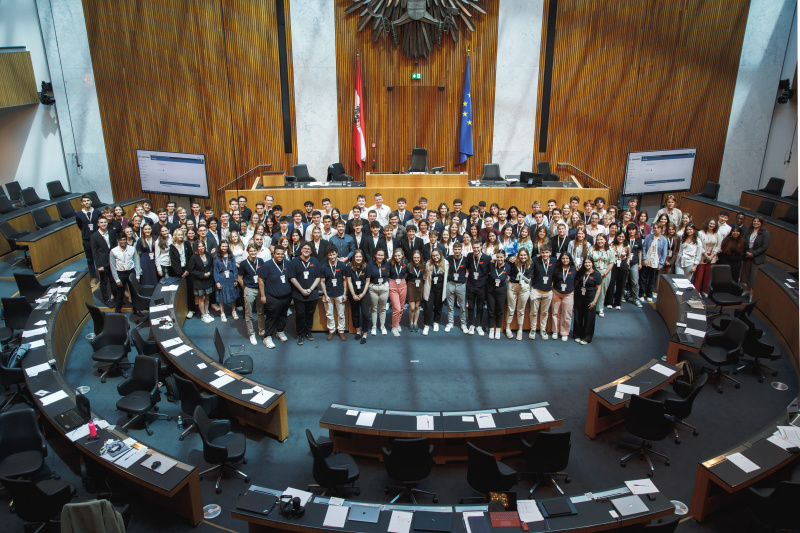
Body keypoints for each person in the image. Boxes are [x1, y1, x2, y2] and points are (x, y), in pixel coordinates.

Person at [288, 242, 321, 345]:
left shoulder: (315, 261)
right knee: (300, 314)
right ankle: (300, 334)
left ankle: (308, 332)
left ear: (311, 251)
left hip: (312, 293)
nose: (307, 250)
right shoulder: (294, 262)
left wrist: (310, 289)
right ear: (301, 250)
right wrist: (302, 290)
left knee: (310, 314)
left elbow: (318, 277)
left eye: (309, 249)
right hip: (299, 294)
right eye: (305, 248)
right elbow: (292, 278)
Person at [320, 245, 348, 341]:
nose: (332, 257)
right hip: (328, 295)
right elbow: (322, 282)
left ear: (337, 254)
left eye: (334, 255)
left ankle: (341, 331)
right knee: (329, 314)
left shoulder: (342, 265)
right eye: (330, 255)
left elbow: (345, 280)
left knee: (341, 314)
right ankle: (331, 330)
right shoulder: (324, 266)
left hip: (340, 294)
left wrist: (344, 294)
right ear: (327, 255)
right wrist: (325, 295)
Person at [238, 244, 264, 345]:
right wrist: (246, 288)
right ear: (248, 252)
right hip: (249, 288)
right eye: (251, 251)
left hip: (260, 288)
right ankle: (251, 333)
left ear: (257, 251)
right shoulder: (244, 263)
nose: (253, 253)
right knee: (248, 314)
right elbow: (240, 278)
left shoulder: (261, 261)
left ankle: (262, 330)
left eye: (254, 251)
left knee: (260, 311)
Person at [573, 257, 602, 345]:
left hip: (590, 298)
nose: (587, 264)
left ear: (592, 263)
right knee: (578, 316)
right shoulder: (580, 272)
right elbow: (576, 283)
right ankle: (577, 335)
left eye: (589, 262)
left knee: (589, 318)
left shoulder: (597, 274)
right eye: (585, 262)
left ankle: (587, 337)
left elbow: (598, 289)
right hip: (579, 297)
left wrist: (594, 302)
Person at [109, 234, 141, 315]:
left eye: (124, 239)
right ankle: (118, 311)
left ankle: (136, 309)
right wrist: (116, 279)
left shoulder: (132, 249)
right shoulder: (113, 251)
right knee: (119, 294)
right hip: (121, 274)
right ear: (118, 241)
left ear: (126, 240)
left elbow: (136, 262)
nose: (123, 241)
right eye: (121, 240)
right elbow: (112, 266)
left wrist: (137, 275)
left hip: (131, 272)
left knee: (134, 292)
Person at [741, 215, 770, 300]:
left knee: (754, 276)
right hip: (747, 255)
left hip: (757, 257)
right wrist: (746, 252)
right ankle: (747, 290)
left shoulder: (765, 233)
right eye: (754, 221)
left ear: (761, 223)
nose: (756, 223)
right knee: (747, 273)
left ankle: (752, 294)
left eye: (758, 221)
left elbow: (764, 246)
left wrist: (753, 254)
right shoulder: (749, 230)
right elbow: (744, 241)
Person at [505, 247, 532, 340]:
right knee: (510, 308)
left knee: (521, 310)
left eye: (525, 255)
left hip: (524, 288)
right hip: (512, 287)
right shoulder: (513, 262)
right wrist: (510, 258)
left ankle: (520, 330)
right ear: (518, 255)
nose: (523, 257)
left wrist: (530, 278)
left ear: (527, 256)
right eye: (521, 255)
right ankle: (508, 328)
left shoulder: (530, 264)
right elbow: (506, 259)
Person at [90, 215, 116, 308]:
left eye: (105, 222)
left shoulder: (111, 232)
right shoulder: (94, 236)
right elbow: (95, 252)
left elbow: (114, 246)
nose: (103, 224)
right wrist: (98, 265)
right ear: (98, 224)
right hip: (102, 263)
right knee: (104, 282)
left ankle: (114, 297)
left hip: (112, 261)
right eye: (101, 222)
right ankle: (106, 299)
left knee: (113, 280)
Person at [529, 246, 555, 339]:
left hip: (548, 291)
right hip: (536, 289)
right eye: (543, 252)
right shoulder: (535, 260)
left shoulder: (554, 261)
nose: (544, 254)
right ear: (540, 253)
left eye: (546, 252)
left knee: (544, 312)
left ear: (550, 253)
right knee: (534, 312)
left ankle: (542, 329)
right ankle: (533, 329)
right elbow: (528, 270)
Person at [346, 249, 371, 344]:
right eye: (357, 256)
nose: (358, 258)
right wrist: (353, 295)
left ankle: (364, 333)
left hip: (364, 292)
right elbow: (349, 281)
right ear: (354, 258)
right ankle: (357, 331)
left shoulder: (367, 267)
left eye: (360, 256)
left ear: (362, 257)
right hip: (353, 293)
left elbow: (368, 281)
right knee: (355, 313)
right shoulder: (349, 267)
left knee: (365, 314)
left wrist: (363, 294)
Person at [75, 194, 101, 286]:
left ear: (91, 201)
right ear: (82, 203)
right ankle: (93, 277)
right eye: (85, 201)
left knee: (100, 257)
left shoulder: (97, 212)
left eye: (88, 200)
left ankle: (102, 276)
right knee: (90, 259)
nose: (86, 202)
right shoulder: (79, 215)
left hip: (98, 238)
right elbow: (80, 226)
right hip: (87, 239)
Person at [465, 240, 490, 336]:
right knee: (471, 306)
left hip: (481, 286)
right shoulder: (469, 256)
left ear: (481, 247)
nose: (475, 249)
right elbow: (468, 268)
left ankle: (478, 325)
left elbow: (489, 271)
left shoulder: (487, 258)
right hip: (471, 284)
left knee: (480, 307)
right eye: (474, 247)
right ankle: (471, 324)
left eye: (477, 247)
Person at [551, 252, 577, 341]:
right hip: (557, 292)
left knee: (567, 314)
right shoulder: (557, 268)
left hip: (568, 294)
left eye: (567, 258)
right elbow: (552, 278)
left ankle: (564, 332)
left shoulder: (574, 269)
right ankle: (555, 331)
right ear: (560, 259)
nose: (565, 260)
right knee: (555, 313)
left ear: (570, 259)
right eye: (563, 258)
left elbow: (576, 280)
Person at [588, 234, 615, 316]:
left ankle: (600, 308)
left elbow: (611, 263)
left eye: (601, 239)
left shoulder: (610, 250)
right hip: (594, 272)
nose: (600, 241)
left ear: (605, 240)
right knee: (592, 290)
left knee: (602, 291)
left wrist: (605, 273)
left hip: (605, 273)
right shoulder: (592, 249)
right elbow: (589, 260)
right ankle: (591, 306)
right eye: (598, 240)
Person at [188, 240, 215, 323]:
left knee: (207, 297)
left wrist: (209, 273)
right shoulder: (194, 257)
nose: (201, 248)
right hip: (199, 281)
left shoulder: (208, 255)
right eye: (199, 246)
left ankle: (206, 313)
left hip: (208, 280)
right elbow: (192, 270)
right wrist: (202, 274)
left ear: (204, 246)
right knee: (201, 298)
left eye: (202, 246)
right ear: (197, 248)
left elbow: (211, 266)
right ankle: (203, 315)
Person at [641, 223, 668, 301]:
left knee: (652, 279)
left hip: (656, 261)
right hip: (647, 260)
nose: (656, 229)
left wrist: (661, 263)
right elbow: (644, 248)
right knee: (643, 278)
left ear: (661, 229)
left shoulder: (663, 239)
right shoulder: (648, 237)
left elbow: (664, 253)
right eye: (654, 228)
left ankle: (649, 294)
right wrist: (644, 259)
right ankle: (641, 294)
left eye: (658, 228)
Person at [422, 248, 447, 335]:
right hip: (431, 288)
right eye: (433, 255)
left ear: (440, 255)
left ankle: (436, 322)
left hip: (440, 288)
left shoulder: (446, 263)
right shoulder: (429, 263)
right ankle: (427, 325)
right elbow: (425, 275)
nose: (435, 257)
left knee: (438, 306)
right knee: (428, 307)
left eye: (437, 255)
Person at [213, 240, 239, 322]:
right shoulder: (216, 257)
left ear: (228, 247)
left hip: (231, 278)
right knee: (221, 296)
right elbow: (215, 269)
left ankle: (233, 311)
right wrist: (217, 281)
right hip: (221, 277)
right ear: (220, 247)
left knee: (232, 295)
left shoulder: (231, 256)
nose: (224, 248)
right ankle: (222, 313)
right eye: (223, 246)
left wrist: (236, 279)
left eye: (226, 246)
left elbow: (234, 268)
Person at [486, 249, 510, 340]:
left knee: (499, 311)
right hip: (491, 290)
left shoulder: (508, 267)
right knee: (491, 310)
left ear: (504, 257)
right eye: (498, 257)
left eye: (501, 257)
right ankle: (491, 329)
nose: (499, 259)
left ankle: (498, 329)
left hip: (501, 290)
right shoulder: (491, 265)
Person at [445, 242, 468, 334]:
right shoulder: (449, 258)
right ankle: (450, 323)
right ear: (453, 250)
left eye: (459, 249)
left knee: (463, 306)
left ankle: (463, 324)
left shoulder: (466, 260)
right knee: (450, 306)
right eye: (455, 249)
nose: (457, 251)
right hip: (451, 284)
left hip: (461, 285)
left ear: (461, 250)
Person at [693, 218, 720, 295]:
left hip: (712, 257)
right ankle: (696, 291)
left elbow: (718, 246)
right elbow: (699, 245)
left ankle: (705, 291)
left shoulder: (717, 234)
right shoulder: (700, 233)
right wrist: (706, 255)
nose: (712, 225)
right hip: (702, 256)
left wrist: (712, 256)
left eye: (713, 224)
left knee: (708, 276)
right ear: (707, 224)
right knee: (699, 275)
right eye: (710, 223)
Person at [367, 249, 390, 335]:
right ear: (375, 255)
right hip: (374, 288)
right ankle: (374, 326)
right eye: (379, 255)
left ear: (384, 256)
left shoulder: (387, 264)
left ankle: (382, 326)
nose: (380, 257)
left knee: (383, 308)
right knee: (374, 309)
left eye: (382, 255)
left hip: (384, 288)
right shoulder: (370, 264)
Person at [387, 248, 408, 336]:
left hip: (402, 284)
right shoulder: (390, 263)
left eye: (399, 255)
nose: (397, 257)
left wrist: (402, 281)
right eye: (395, 255)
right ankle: (394, 328)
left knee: (402, 307)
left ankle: (397, 323)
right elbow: (387, 273)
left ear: (402, 255)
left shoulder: (406, 262)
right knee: (397, 308)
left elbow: (406, 273)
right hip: (393, 284)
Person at [607, 232, 630, 309]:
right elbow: (608, 254)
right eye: (619, 236)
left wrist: (627, 263)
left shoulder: (627, 245)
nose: (621, 238)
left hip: (623, 264)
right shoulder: (612, 244)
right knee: (611, 283)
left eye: (622, 236)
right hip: (613, 264)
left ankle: (617, 303)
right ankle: (609, 302)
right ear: (616, 237)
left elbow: (629, 256)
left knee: (621, 284)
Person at [406, 250, 425, 332]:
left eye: (418, 257)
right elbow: (405, 277)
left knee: (417, 306)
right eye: (415, 257)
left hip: (420, 286)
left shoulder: (423, 265)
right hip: (411, 285)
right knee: (412, 307)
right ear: (412, 258)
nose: (416, 259)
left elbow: (425, 276)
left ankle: (415, 323)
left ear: (420, 258)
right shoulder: (409, 265)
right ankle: (410, 322)